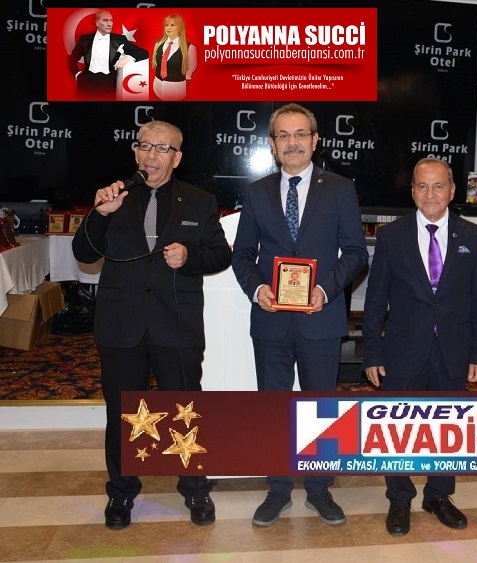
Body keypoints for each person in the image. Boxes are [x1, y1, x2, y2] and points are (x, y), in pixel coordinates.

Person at [71, 120, 232, 529]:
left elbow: (220, 254)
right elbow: (84, 254)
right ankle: (121, 492)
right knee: (122, 412)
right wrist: (99, 214)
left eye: (162, 148)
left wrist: (190, 257)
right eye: (145, 146)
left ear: (177, 158)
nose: (151, 155)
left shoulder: (199, 200)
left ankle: (195, 488)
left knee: (185, 410)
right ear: (135, 152)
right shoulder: (114, 197)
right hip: (120, 324)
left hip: (175, 323)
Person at [232, 103, 368, 528]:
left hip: (320, 319)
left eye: (300, 134)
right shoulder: (257, 192)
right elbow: (242, 255)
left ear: (315, 140)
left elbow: (355, 253)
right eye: (284, 135)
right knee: (273, 406)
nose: (292, 143)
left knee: (321, 407)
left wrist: (324, 290)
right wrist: (258, 289)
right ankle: (276, 489)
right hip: (270, 319)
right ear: (273, 144)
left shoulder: (340, 189)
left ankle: (319, 488)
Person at [362, 158, 477, 536]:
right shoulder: (392, 236)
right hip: (402, 349)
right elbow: (375, 300)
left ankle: (438, 495)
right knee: (398, 427)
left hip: (454, 349)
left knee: (448, 427)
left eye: (438, 186)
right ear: (412, 191)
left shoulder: (472, 235)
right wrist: (372, 351)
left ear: (452, 191)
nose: (430, 194)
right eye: (422, 186)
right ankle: (399, 497)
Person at [68, 10, 148, 100]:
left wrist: (127, 58)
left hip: (109, 83)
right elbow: (73, 58)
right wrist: (77, 74)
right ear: (97, 23)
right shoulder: (85, 39)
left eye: (111, 20)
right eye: (105, 20)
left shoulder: (120, 39)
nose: (110, 24)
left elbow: (144, 52)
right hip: (86, 83)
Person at [152, 14, 197, 101]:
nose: (169, 28)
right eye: (166, 25)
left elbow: (191, 67)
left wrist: (180, 77)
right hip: (157, 87)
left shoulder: (189, 48)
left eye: (172, 25)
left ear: (179, 27)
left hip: (176, 90)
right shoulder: (158, 44)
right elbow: (156, 63)